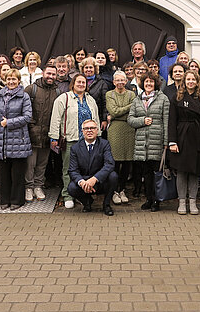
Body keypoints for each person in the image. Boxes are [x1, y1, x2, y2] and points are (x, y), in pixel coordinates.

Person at [49, 73, 100, 208]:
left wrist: (98, 135)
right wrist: (53, 136)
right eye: (78, 82)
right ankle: (67, 195)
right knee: (68, 169)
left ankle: (81, 194)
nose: (81, 84)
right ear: (73, 83)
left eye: (84, 82)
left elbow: (96, 119)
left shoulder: (90, 100)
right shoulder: (63, 98)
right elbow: (56, 119)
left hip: (88, 141)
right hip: (71, 139)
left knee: (86, 169)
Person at [168, 71, 200, 215]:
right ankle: (182, 202)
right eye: (188, 79)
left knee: (195, 171)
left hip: (197, 137)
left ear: (197, 81)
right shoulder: (177, 97)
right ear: (184, 81)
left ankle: (192, 201)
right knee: (181, 171)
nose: (191, 82)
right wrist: (172, 142)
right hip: (181, 137)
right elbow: (172, 121)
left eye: (193, 79)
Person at [128, 72, 170, 212]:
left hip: (157, 141)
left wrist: (166, 142)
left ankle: (157, 201)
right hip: (142, 143)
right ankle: (148, 199)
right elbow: (130, 119)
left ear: (156, 84)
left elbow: (166, 121)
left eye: (151, 82)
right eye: (146, 82)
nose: (149, 84)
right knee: (146, 174)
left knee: (156, 173)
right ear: (142, 84)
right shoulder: (137, 100)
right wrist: (142, 121)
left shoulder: (163, 99)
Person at [0, 69, 33, 210]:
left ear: (18, 81)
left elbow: (27, 117)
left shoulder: (24, 96)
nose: (11, 82)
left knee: (17, 173)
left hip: (18, 140)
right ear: (5, 80)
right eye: (8, 79)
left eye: (14, 79)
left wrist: (9, 122)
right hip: (1, 140)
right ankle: (5, 200)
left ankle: (17, 200)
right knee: (3, 173)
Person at [68, 120, 119, 216]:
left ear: (97, 130)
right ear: (82, 131)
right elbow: (73, 170)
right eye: (86, 128)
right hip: (85, 181)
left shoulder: (104, 144)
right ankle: (87, 202)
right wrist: (82, 182)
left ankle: (106, 205)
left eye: (92, 128)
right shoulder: (75, 148)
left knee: (113, 176)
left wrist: (95, 179)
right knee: (71, 188)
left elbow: (109, 164)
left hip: (100, 180)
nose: (89, 131)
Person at [25, 65, 58, 203]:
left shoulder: (58, 91)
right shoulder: (31, 89)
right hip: (32, 133)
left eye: (53, 74)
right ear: (43, 73)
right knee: (30, 163)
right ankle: (28, 187)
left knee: (42, 163)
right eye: (48, 73)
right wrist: (30, 127)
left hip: (47, 134)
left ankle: (38, 186)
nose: (50, 76)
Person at [105, 70, 136, 205]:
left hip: (129, 129)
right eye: (117, 80)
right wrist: (128, 108)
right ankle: (114, 191)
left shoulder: (131, 94)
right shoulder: (109, 94)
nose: (120, 82)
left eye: (122, 80)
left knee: (127, 163)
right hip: (115, 130)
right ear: (113, 82)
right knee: (116, 162)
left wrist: (117, 114)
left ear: (126, 81)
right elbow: (113, 111)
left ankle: (122, 189)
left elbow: (133, 112)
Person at [81, 56, 111, 132]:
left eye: (90, 67)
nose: (88, 70)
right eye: (86, 67)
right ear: (82, 69)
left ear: (95, 69)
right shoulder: (79, 82)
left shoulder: (101, 83)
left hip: (97, 118)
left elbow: (105, 102)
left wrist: (104, 119)